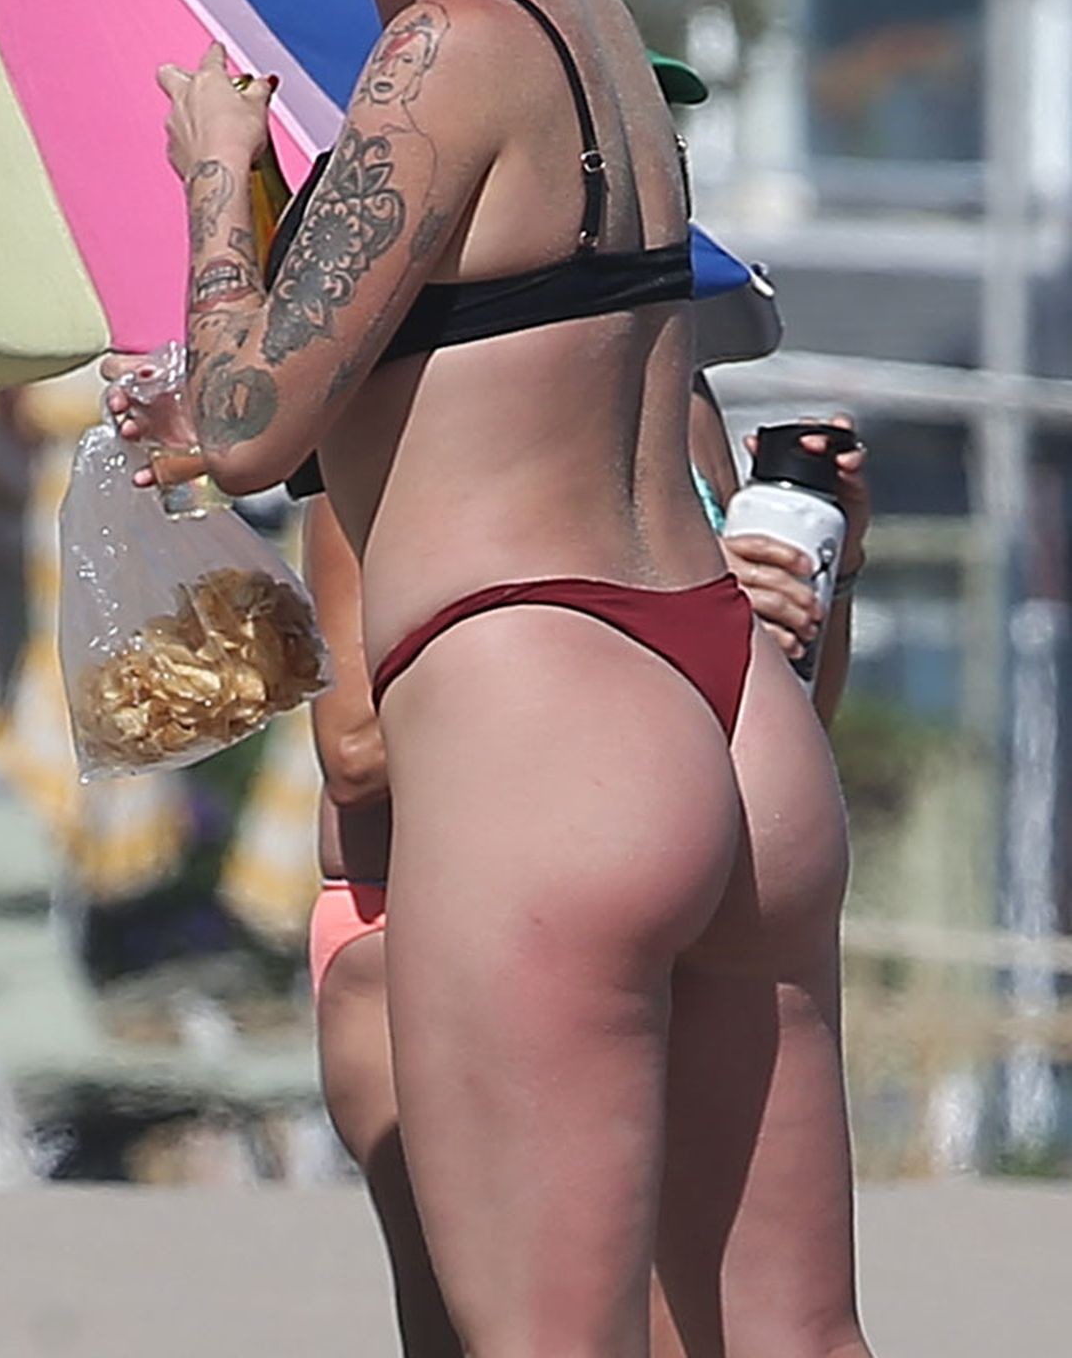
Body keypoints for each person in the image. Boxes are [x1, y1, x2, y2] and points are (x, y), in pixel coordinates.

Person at [110, 0, 873, 1356]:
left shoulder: (442, 53)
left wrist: (217, 181)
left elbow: (249, 422)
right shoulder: (598, 26)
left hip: (542, 721)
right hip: (728, 706)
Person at [305, 401, 870, 1358]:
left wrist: (825, 579)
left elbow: (772, 727)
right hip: (417, 920)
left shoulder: (681, 420)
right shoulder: (404, 420)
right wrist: (612, 643)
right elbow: (355, 748)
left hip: (654, 924)